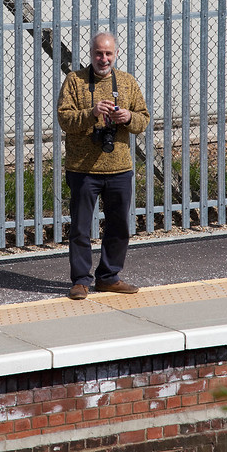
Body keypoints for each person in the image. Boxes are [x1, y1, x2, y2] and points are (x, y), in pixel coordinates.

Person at [57, 31, 150, 300]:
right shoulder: (74, 81)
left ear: (116, 54)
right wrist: (92, 113)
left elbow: (143, 119)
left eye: (108, 53)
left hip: (119, 168)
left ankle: (109, 277)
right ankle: (81, 281)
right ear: (91, 54)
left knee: (119, 225)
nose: (104, 58)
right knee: (80, 227)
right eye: (99, 53)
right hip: (83, 169)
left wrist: (128, 116)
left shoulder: (127, 82)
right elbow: (64, 119)